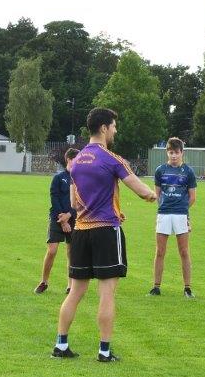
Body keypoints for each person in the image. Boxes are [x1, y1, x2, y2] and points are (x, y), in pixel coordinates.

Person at [52, 108, 156, 362]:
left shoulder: (75, 162)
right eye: (114, 126)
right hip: (106, 232)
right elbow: (140, 189)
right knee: (107, 292)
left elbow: (75, 203)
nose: (115, 130)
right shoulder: (111, 159)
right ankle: (104, 351)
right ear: (103, 129)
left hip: (81, 232)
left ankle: (61, 345)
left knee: (75, 291)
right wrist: (154, 195)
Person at [149, 137, 197, 298]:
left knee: (184, 252)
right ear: (167, 153)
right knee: (160, 251)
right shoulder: (160, 170)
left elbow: (192, 197)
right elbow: (157, 194)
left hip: (181, 215)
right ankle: (156, 287)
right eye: (171, 152)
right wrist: (164, 207)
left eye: (176, 152)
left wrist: (182, 209)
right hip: (163, 214)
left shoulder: (188, 172)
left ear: (182, 153)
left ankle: (187, 288)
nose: (174, 155)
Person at [35, 148, 78, 294]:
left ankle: (70, 285)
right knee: (52, 250)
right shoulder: (59, 178)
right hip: (57, 218)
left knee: (71, 252)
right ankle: (44, 281)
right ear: (69, 160)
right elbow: (55, 198)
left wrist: (69, 215)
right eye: (76, 160)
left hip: (73, 219)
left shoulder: (81, 180)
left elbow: (80, 202)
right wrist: (63, 219)